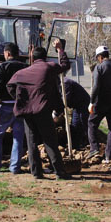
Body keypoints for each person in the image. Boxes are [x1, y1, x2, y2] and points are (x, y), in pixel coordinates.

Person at [7, 41, 71, 179]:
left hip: (27, 112)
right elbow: (65, 66)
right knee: (50, 141)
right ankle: (59, 172)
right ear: (45, 57)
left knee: (32, 142)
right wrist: (60, 50)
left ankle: (36, 172)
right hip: (42, 110)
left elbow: (10, 86)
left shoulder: (21, 73)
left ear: (33, 58)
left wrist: (21, 99)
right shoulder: (49, 67)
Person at [0, 42, 28, 174]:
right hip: (21, 107)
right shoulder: (25, 67)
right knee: (18, 137)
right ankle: (15, 167)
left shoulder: (2, 67)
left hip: (6, 105)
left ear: (7, 53)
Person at [87, 46, 111, 163]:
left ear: (100, 57)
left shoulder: (99, 67)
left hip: (101, 100)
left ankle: (94, 148)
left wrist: (92, 102)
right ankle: (109, 156)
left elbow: (96, 86)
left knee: (92, 123)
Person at [58, 77, 90, 149]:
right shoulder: (59, 84)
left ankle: (91, 144)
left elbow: (65, 100)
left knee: (84, 123)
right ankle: (76, 146)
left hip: (83, 104)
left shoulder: (65, 83)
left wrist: (57, 112)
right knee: (75, 125)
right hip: (76, 106)